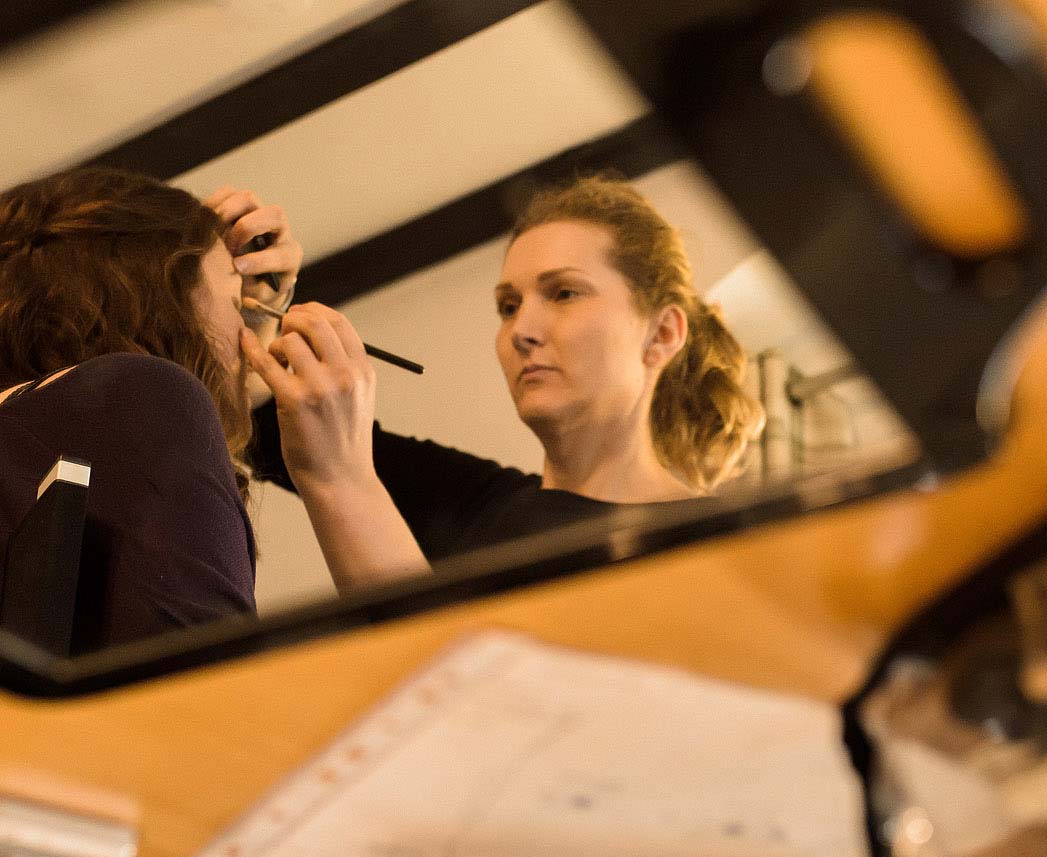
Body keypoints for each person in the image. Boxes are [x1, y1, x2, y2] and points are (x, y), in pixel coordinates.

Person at [0, 165, 301, 650]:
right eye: (234, 302)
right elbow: (204, 675)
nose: (247, 337)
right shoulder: (142, 397)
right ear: (164, 298)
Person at [237, 174, 765, 586]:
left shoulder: (723, 545)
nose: (521, 331)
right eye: (508, 306)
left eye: (564, 293)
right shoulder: (474, 503)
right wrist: (261, 309)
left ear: (662, 334)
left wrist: (341, 476)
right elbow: (261, 427)